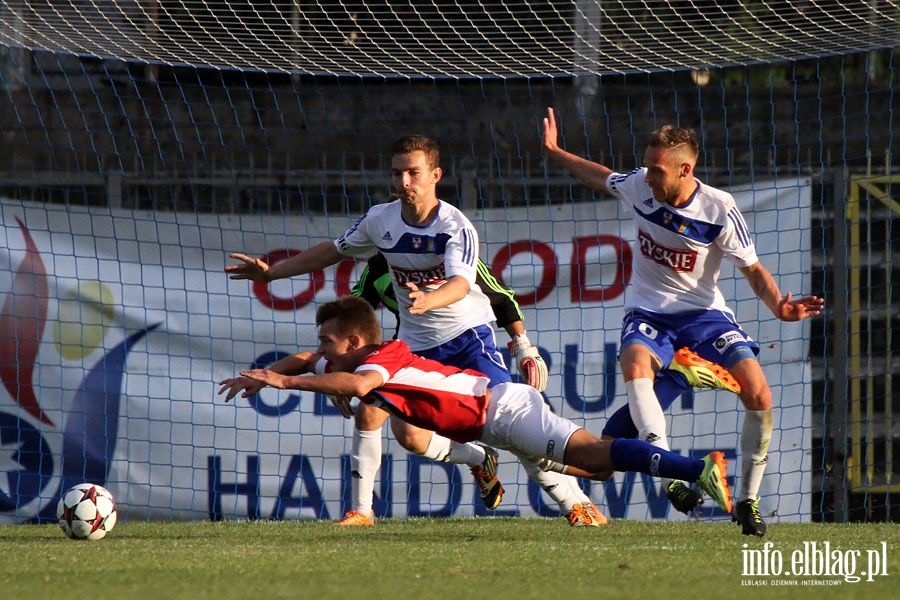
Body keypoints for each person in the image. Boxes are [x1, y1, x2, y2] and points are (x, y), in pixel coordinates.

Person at [225, 134, 604, 527]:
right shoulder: (380, 220)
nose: (405, 182)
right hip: (415, 345)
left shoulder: (456, 227)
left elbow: (461, 285)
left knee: (511, 426)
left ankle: (574, 503)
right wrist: (272, 273)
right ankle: (370, 508)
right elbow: (331, 250)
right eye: (398, 173)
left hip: (468, 340)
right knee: (398, 430)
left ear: (435, 175)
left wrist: (433, 302)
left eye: (414, 173)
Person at [541, 108, 824, 537]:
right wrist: (556, 151)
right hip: (649, 310)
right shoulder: (640, 185)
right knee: (635, 367)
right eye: (648, 166)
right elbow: (601, 176)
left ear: (685, 169)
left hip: (705, 315)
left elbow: (752, 269)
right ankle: (671, 471)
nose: (648, 176)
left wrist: (777, 308)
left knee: (759, 392)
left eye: (657, 169)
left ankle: (747, 500)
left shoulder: (719, 210)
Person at [218, 295, 734, 518]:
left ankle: (695, 463)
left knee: (599, 461)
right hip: (496, 421)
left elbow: (357, 385)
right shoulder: (370, 355)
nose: (322, 349)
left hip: (503, 412)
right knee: (598, 463)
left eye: (329, 342)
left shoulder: (383, 361)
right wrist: (272, 376)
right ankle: (674, 390)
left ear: (354, 342)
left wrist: (281, 386)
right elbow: (320, 365)